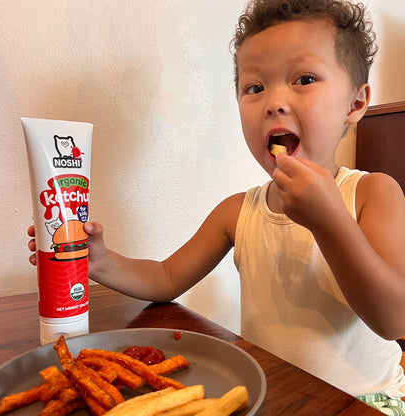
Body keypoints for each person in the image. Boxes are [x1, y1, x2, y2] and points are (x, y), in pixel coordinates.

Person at [29, 0, 405, 411]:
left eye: (304, 78)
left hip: (368, 400)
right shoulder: (238, 211)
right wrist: (98, 262)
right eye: (255, 87)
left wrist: (330, 221)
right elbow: (166, 277)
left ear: (355, 103)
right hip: (272, 394)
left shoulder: (372, 193)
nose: (274, 102)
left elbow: (394, 319)